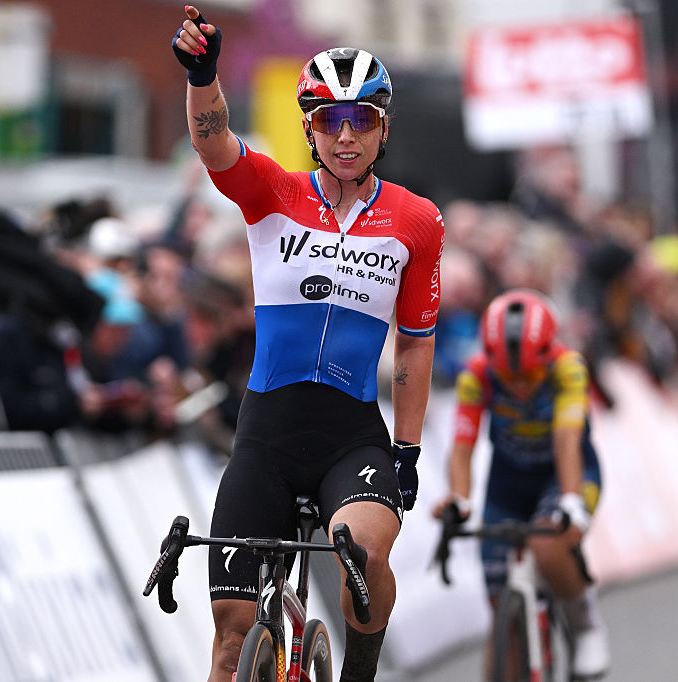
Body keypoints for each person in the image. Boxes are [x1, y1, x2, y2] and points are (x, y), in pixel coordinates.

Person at [172, 8, 444, 681]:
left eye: (361, 120)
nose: (345, 135)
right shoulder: (274, 194)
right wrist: (204, 77)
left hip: (349, 439)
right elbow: (214, 143)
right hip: (265, 435)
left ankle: (358, 672)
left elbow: (414, 345)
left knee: (361, 552)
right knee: (233, 640)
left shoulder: (416, 220)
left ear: (383, 128)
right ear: (309, 130)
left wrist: (406, 449)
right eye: (329, 119)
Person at [433, 288, 610, 680]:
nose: (520, 386)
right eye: (509, 376)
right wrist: (459, 500)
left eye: (529, 375)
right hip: (507, 485)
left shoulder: (569, 368)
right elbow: (462, 448)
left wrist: (570, 499)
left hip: (565, 474)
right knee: (501, 613)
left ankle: (585, 623)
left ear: (548, 354)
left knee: (548, 545)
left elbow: (567, 439)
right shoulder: (476, 375)